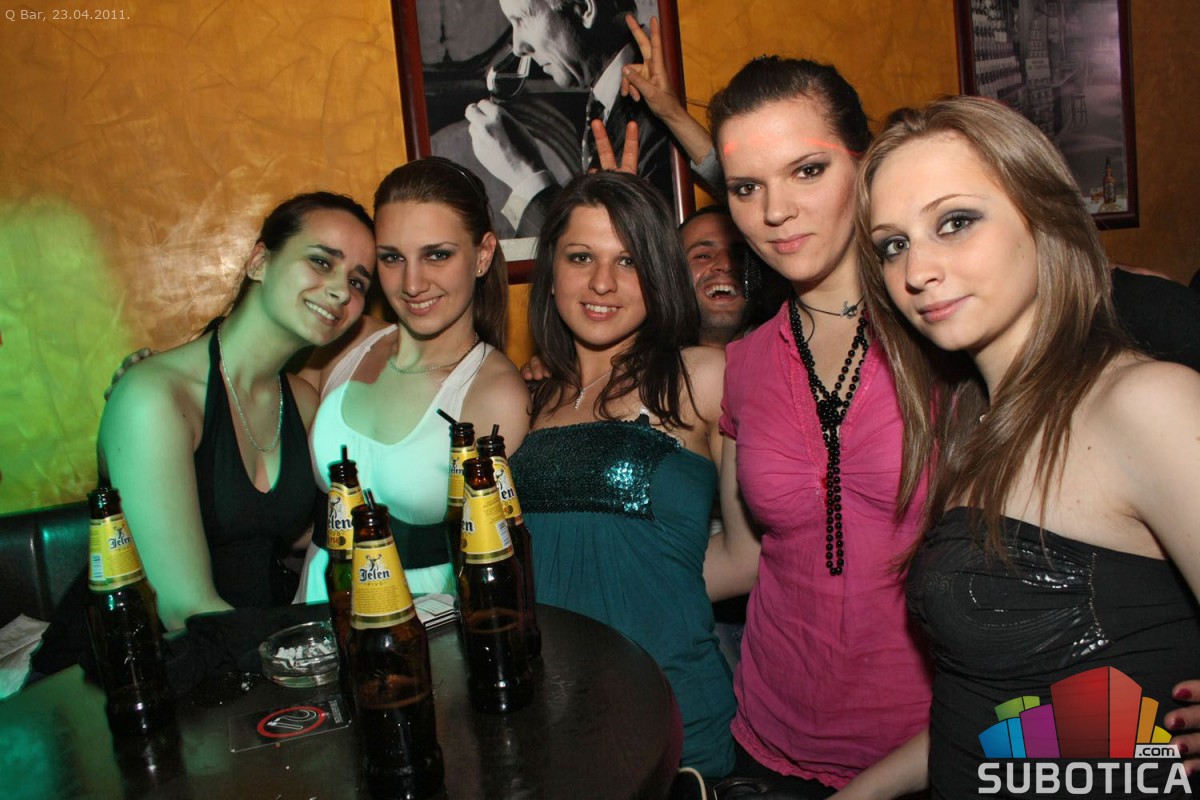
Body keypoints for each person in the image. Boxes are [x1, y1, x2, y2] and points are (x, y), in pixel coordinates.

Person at [839, 95, 1200, 799]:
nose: (916, 271)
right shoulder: (973, 423)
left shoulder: (1146, 404)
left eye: (955, 222)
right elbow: (996, 706)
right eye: (894, 244)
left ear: (1045, 218)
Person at [694, 57, 932, 797]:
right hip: (768, 744)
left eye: (807, 170)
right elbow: (742, 557)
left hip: (938, 747)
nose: (775, 212)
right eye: (746, 187)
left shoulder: (948, 330)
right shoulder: (745, 364)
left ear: (865, 164)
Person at [30, 192, 376, 682]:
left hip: (236, 664)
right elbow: (184, 609)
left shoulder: (301, 401)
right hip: (117, 679)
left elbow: (296, 530)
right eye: (321, 261)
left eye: (358, 282)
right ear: (259, 261)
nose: (341, 291)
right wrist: (318, 658)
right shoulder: (155, 397)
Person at [508, 171, 738, 778]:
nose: (602, 282)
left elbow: (753, 555)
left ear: (658, 273)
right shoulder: (529, 400)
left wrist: (647, 591)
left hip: (669, 710)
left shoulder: (701, 376)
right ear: (550, 273)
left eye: (628, 260)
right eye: (581, 257)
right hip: (553, 717)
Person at [298, 158, 530, 599]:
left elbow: (500, 565)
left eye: (437, 255)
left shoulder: (494, 393)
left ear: (482, 255)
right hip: (317, 610)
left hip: (427, 625)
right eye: (392, 258)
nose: (412, 283)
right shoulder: (343, 343)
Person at [466, 0, 673, 235]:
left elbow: (634, 248)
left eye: (523, 19)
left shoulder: (660, 110)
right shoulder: (608, 101)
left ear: (584, 8)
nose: (517, 47)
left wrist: (525, 176)